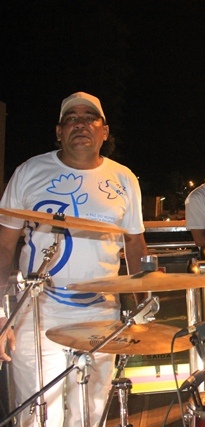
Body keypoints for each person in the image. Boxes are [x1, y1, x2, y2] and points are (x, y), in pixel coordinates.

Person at [0, 92, 147, 426]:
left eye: (90, 117)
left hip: (100, 311)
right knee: (38, 415)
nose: (81, 124)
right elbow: (4, 247)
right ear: (59, 131)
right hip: (37, 311)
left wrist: (143, 304)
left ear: (104, 131)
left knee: (90, 413)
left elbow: (135, 245)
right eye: (71, 118)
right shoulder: (29, 171)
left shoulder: (124, 178)